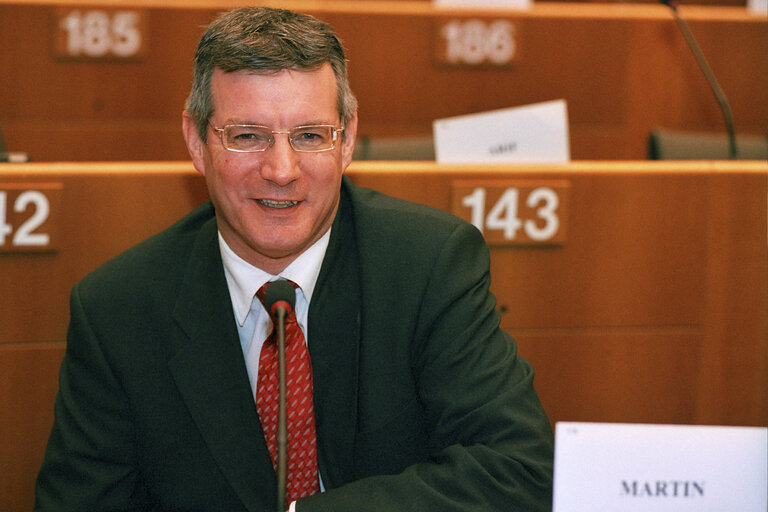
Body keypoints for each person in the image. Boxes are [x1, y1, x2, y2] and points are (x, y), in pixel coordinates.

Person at [35, 7, 553, 511]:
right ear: (197, 142)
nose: (281, 170)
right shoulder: (117, 310)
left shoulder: (429, 266)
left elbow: (519, 470)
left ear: (347, 140)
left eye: (309, 136)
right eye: (247, 137)